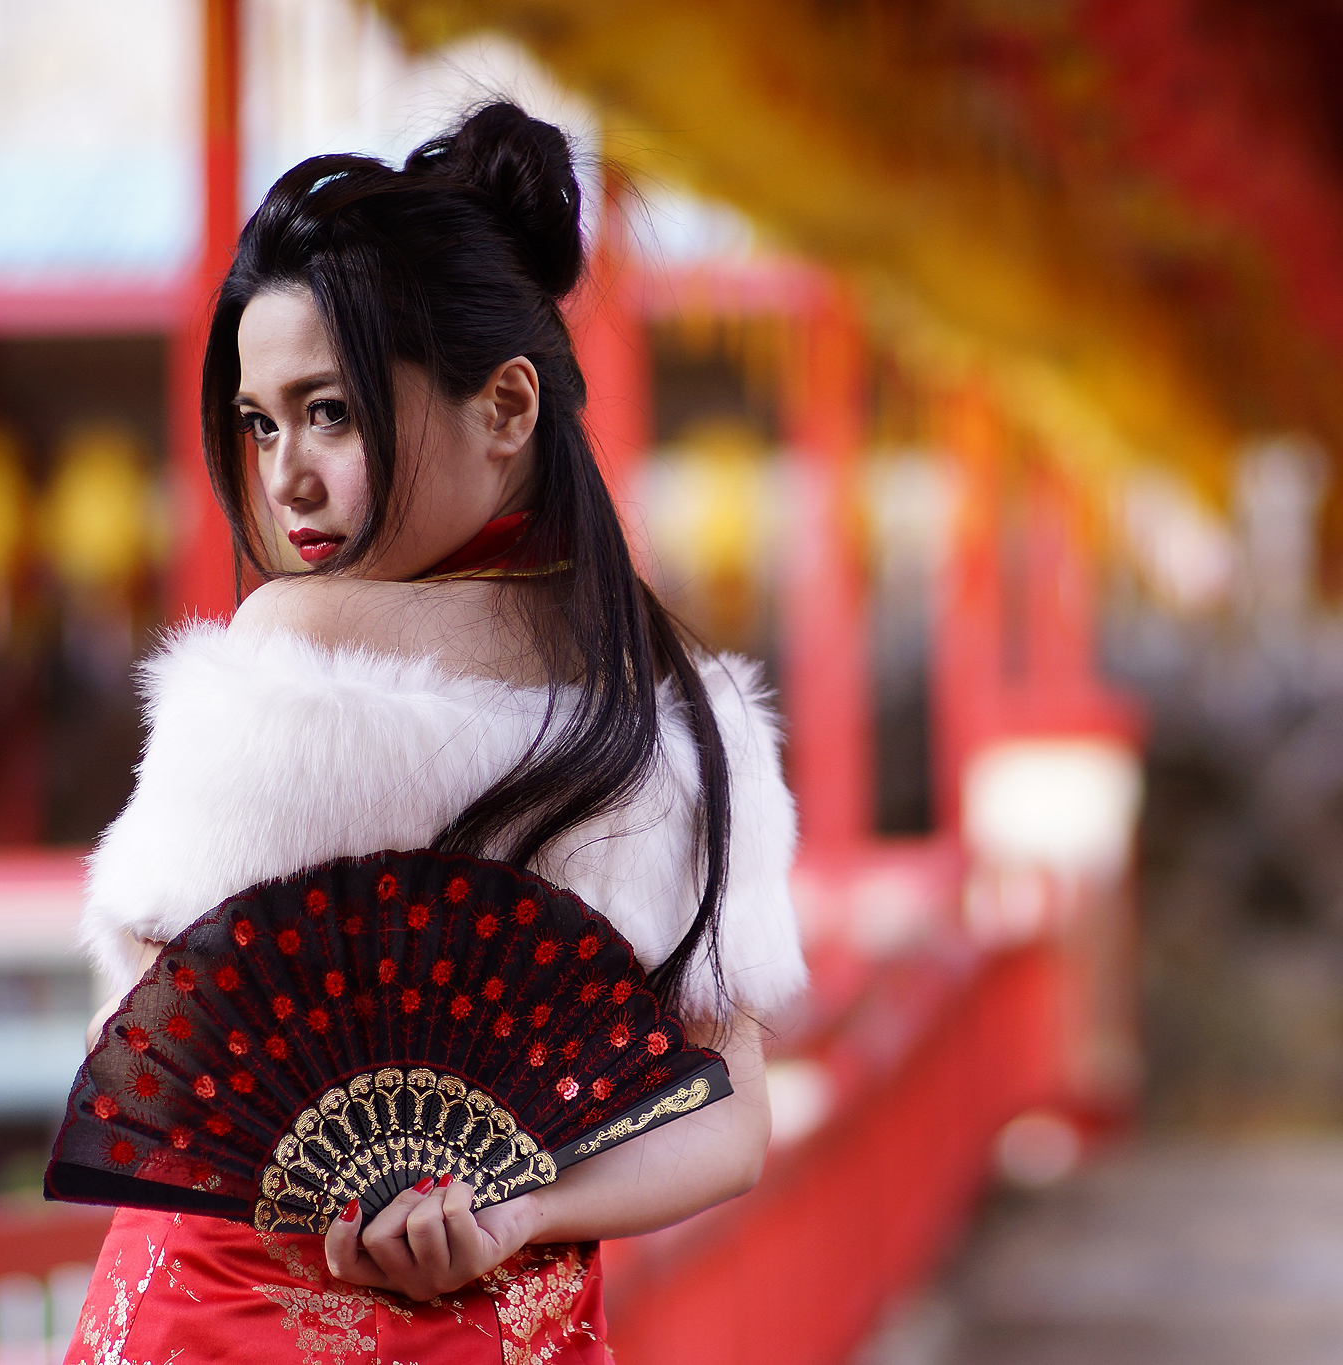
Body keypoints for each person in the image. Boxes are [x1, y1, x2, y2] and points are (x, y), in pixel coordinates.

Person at [65, 102, 804, 1363]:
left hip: (224, 1319)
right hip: (510, 1325)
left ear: (507, 407)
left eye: (333, 413)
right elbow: (726, 1122)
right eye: (259, 422)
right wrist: (519, 1212)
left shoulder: (290, 649)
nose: (287, 473)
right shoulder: (678, 713)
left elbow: (140, 1026)